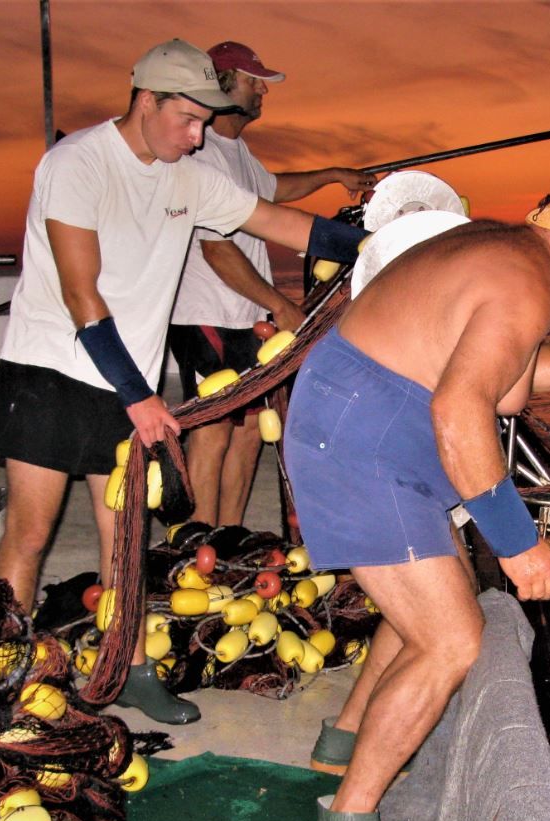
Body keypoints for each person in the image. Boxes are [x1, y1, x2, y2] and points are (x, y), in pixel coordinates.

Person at [283, 165, 550, 821]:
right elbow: (462, 413)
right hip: (363, 446)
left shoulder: (513, 257)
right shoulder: (520, 280)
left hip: (359, 427)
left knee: (431, 606)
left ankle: (343, 743)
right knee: (454, 640)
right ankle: (348, 819)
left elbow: (510, 382)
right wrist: (520, 546)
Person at [0, 38, 367, 724]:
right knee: (31, 533)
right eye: (189, 119)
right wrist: (141, 396)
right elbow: (81, 295)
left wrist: (379, 245)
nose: (198, 137)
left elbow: (280, 221)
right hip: (49, 369)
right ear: (147, 100)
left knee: (123, 536)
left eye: (204, 123)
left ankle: (128, 667)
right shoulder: (78, 163)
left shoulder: (187, 175)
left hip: (121, 380)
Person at [169, 41, 376, 529]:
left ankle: (228, 538)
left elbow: (273, 190)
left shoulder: (234, 149)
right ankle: (193, 544)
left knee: (245, 434)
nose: (262, 89)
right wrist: (280, 305)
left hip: (244, 315)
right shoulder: (198, 154)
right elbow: (215, 248)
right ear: (222, 85)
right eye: (251, 80)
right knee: (214, 428)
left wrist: (331, 174)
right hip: (207, 313)